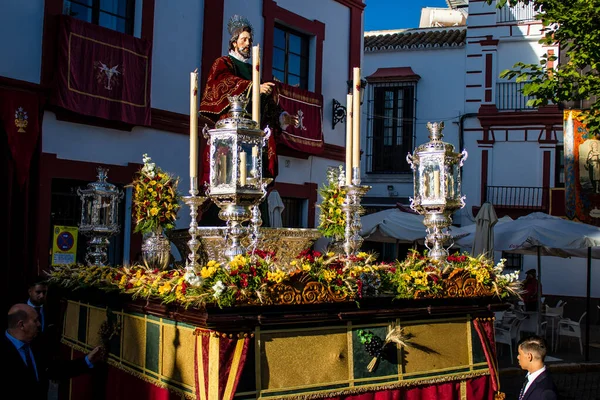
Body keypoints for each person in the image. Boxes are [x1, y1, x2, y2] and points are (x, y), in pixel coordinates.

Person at [199, 14, 298, 186]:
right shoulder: (224, 63)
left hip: (252, 136)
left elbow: (265, 103)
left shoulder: (254, 71)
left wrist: (282, 116)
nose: (247, 43)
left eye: (250, 40)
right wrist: (252, 87)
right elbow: (220, 83)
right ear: (234, 42)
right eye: (243, 39)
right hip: (230, 134)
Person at [0, 303, 104, 399]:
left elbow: (55, 369)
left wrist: (87, 360)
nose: (39, 324)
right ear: (21, 325)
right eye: (35, 321)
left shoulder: (37, 343)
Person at [516, 335, 558, 399]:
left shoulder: (545, 392)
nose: (518, 357)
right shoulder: (529, 378)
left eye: (519, 354)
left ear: (529, 357)